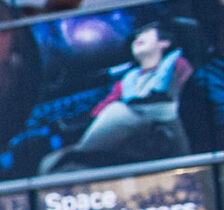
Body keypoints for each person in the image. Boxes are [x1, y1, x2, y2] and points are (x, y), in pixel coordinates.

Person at [47, 17, 196, 171]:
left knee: (119, 111)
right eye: (135, 37)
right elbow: (105, 107)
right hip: (135, 138)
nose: (138, 38)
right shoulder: (128, 80)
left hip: (165, 128)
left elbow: (183, 98)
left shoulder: (177, 65)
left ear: (164, 42)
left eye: (145, 33)